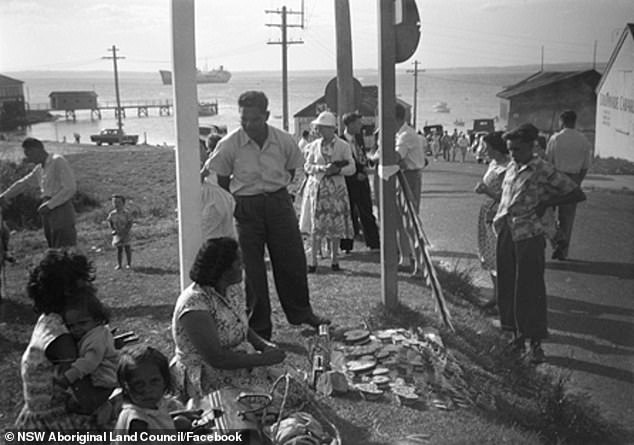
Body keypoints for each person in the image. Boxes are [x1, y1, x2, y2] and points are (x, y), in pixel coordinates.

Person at [207, 91, 330, 340]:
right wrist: (237, 203)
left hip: (278, 203)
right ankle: (260, 327)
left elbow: (292, 168)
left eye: (254, 119)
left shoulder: (284, 140)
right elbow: (221, 178)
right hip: (246, 206)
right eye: (244, 119)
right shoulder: (229, 144)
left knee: (291, 259)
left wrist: (278, 193)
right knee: (251, 269)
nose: (249, 125)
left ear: (266, 115)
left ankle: (301, 312)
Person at [493, 123, 585, 364]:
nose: (513, 153)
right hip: (506, 232)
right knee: (508, 285)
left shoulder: (543, 169)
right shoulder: (512, 167)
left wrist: (547, 203)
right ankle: (515, 336)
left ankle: (535, 344)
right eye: (510, 149)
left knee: (530, 289)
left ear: (532, 147)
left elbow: (576, 193)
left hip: (529, 235)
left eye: (519, 149)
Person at [170, 237, 286, 399]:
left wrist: (264, 345)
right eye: (238, 264)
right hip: (208, 375)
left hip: (242, 362)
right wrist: (263, 359)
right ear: (223, 270)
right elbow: (217, 359)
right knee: (271, 402)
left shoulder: (232, 288)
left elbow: (239, 323)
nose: (243, 267)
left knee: (291, 387)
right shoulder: (195, 304)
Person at [15, 249, 99, 432]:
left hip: (35, 420)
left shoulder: (49, 321)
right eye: (83, 283)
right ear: (69, 291)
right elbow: (87, 402)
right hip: (57, 426)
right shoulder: (61, 339)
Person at [299, 111, 355, 272]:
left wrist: (337, 170)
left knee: (335, 224)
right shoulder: (314, 145)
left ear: (331, 129)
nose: (319, 131)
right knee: (316, 224)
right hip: (317, 189)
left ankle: (334, 259)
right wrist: (322, 169)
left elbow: (351, 167)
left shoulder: (343, 146)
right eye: (318, 128)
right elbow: (307, 166)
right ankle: (314, 260)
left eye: (322, 128)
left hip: (335, 190)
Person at [0, 138, 77, 248]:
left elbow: (70, 188)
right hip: (47, 209)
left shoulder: (57, 161)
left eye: (29, 154)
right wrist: (4, 196)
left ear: (37, 150)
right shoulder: (40, 169)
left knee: (65, 243)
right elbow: (23, 183)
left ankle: (71, 264)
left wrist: (50, 205)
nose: (28, 158)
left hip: (60, 206)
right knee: (52, 243)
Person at [55, 289, 118, 416]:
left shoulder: (97, 338)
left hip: (104, 377)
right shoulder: (92, 333)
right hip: (98, 375)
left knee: (92, 403)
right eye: (71, 326)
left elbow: (90, 362)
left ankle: (105, 409)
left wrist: (69, 376)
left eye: (82, 323)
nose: (77, 329)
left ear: (97, 319)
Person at [546, 110, 592, 260]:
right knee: (567, 217)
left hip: (556, 178)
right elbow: (585, 166)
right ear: (574, 121)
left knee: (548, 214)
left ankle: (556, 242)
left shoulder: (556, 138)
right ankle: (563, 251)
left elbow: (548, 162)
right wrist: (578, 182)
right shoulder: (583, 140)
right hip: (573, 179)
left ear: (562, 121)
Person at [474, 132, 509, 310]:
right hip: (487, 212)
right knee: (489, 256)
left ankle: (503, 299)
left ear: (497, 148)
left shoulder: (507, 168)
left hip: (498, 215)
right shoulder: (494, 163)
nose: (485, 151)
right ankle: (496, 295)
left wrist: (486, 191)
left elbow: (506, 197)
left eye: (488, 148)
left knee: (498, 256)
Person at [114, 345, 179, 439]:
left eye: (154, 381)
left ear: (164, 380)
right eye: (138, 384)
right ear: (126, 386)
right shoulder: (137, 422)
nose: (148, 389)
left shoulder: (157, 405)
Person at [338, 112, 380, 254]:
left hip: (362, 181)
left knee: (366, 210)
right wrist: (357, 174)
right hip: (349, 181)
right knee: (348, 213)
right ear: (349, 124)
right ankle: (346, 246)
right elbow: (344, 161)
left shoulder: (359, 138)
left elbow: (360, 156)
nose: (360, 126)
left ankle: (373, 243)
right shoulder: (341, 141)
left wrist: (369, 164)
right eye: (357, 123)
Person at [394, 103, 427, 273]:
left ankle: (421, 264)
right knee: (400, 222)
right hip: (402, 176)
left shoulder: (406, 135)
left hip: (409, 177)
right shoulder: (399, 134)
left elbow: (394, 156)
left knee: (411, 223)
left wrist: (377, 155)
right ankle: (405, 259)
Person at [200, 135, 236, 240]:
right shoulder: (228, 159)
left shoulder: (211, 161)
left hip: (214, 200)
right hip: (227, 199)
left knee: (210, 235)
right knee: (228, 233)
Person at [107, 194, 133, 270]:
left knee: (127, 248)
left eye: (118, 202)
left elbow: (130, 222)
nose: (116, 204)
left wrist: (126, 230)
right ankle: (119, 264)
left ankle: (129, 264)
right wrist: (113, 230)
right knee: (119, 249)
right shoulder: (112, 214)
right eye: (114, 202)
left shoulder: (126, 213)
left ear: (123, 203)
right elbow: (110, 222)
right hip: (117, 233)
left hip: (126, 233)